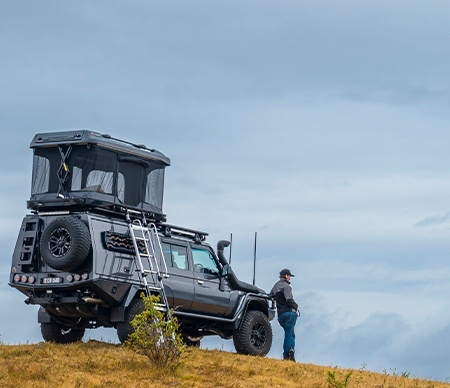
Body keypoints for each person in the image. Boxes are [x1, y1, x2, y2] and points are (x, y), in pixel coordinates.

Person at [270, 268, 299, 361]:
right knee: (290, 334)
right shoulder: (287, 287)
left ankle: (288, 353)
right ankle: (288, 354)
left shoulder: (275, 286)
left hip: (280, 315)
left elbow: (270, 296)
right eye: (289, 276)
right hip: (289, 313)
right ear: (286, 276)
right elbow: (289, 299)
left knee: (288, 333)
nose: (290, 278)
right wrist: (296, 306)